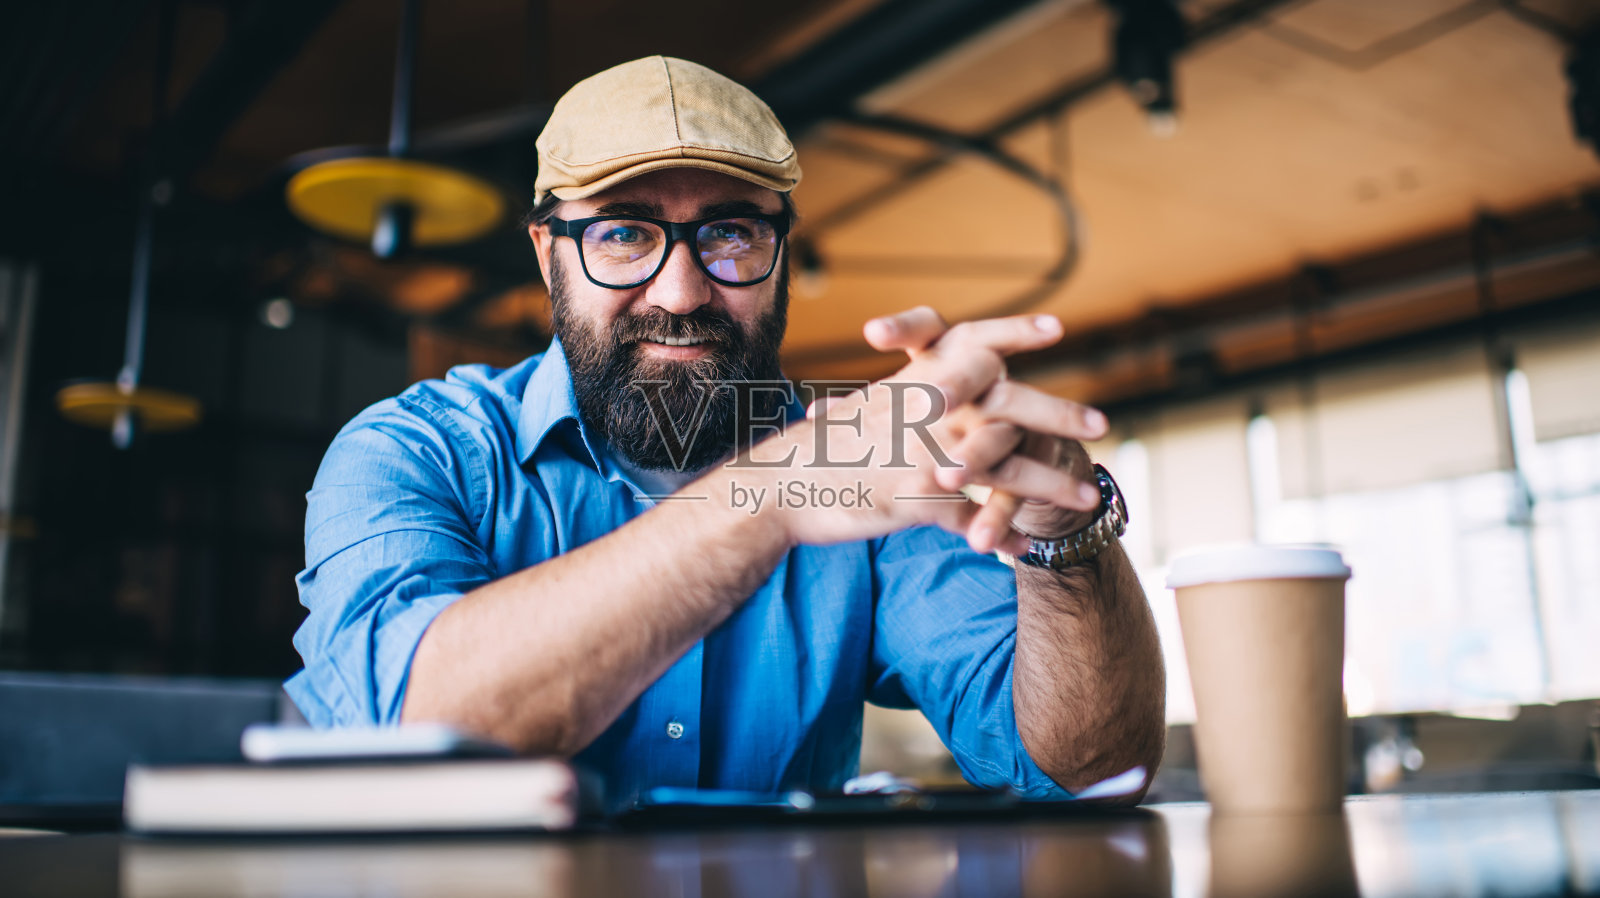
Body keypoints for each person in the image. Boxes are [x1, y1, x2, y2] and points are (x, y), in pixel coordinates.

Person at [288, 56, 1165, 805]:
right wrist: (770, 498)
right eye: (625, 234)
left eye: (732, 233)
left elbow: (1088, 770)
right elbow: (405, 734)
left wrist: (1066, 537)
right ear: (547, 252)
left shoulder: (864, 471)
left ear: (779, 252)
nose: (680, 293)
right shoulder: (416, 451)